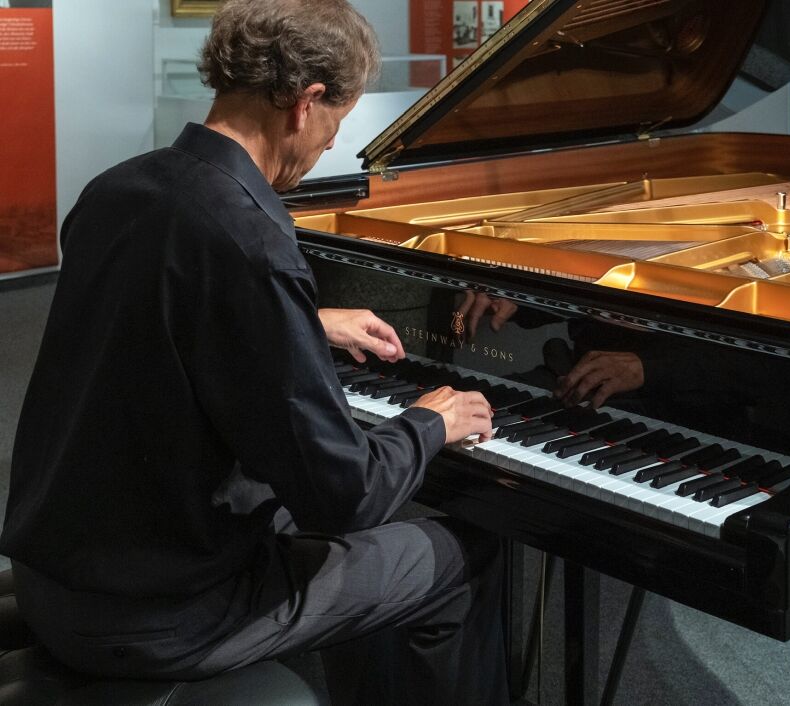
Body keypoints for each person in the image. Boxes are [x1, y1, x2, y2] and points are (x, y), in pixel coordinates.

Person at [0, 1, 509, 703]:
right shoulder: (248, 241)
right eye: (337, 121)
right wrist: (430, 422)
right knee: (457, 553)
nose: (332, 143)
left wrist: (302, 322)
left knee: (302, 512)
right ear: (305, 103)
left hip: (57, 576)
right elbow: (347, 496)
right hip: (159, 616)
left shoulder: (118, 189)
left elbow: (152, 328)